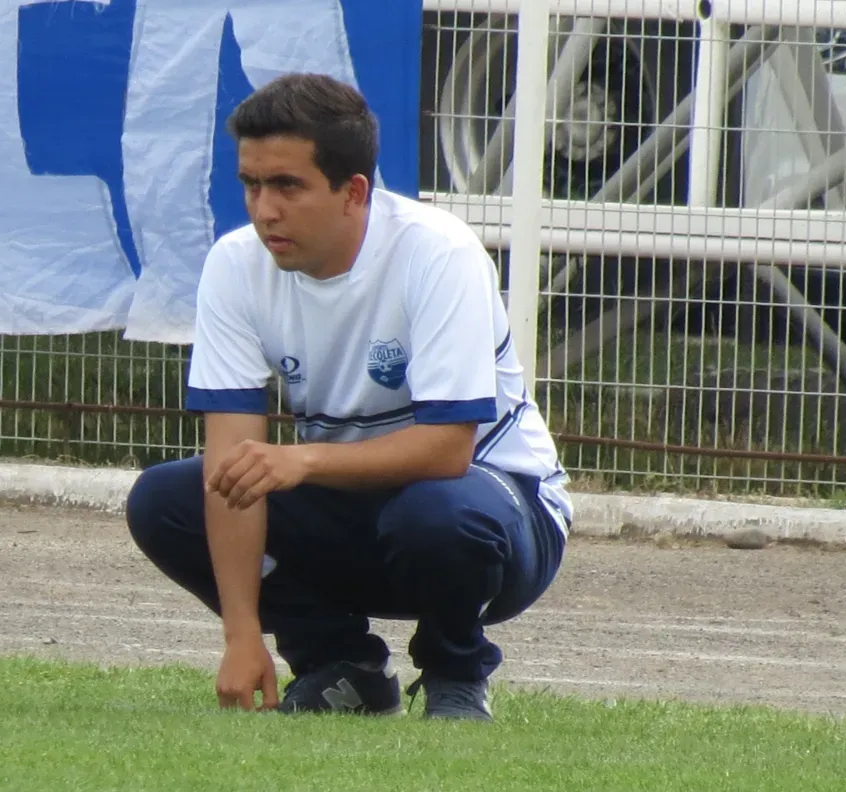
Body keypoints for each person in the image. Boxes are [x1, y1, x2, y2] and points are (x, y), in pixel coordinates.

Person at [124, 72, 571, 722]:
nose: (263, 210)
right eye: (251, 184)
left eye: (287, 186)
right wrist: (241, 634)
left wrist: (302, 460)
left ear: (353, 191)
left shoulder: (437, 252)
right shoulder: (234, 265)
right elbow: (232, 471)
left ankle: (455, 673)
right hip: (361, 507)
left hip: (498, 509)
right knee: (167, 500)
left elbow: (447, 452)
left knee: (436, 514)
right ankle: (342, 666)